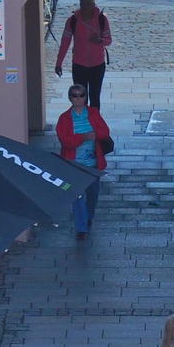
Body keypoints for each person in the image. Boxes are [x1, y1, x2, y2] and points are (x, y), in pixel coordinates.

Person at [53, 81, 115, 238]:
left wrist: (95, 134)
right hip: (74, 164)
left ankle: (88, 218)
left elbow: (105, 131)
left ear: (85, 97)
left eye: (81, 95)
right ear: (70, 98)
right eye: (74, 95)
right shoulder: (64, 118)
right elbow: (65, 140)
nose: (78, 98)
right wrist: (82, 138)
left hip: (93, 162)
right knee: (78, 196)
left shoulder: (93, 113)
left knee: (93, 193)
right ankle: (81, 227)